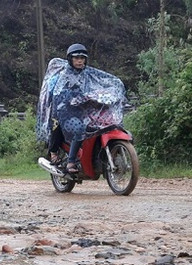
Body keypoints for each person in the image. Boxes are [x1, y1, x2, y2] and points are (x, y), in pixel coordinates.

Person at [35, 43, 127, 176]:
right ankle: (65, 158)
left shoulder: (89, 72)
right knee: (77, 128)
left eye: (82, 58)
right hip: (64, 111)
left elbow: (107, 79)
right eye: (76, 58)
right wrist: (68, 97)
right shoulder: (62, 76)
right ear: (70, 59)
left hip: (84, 110)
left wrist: (116, 87)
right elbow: (56, 92)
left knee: (110, 124)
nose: (80, 61)